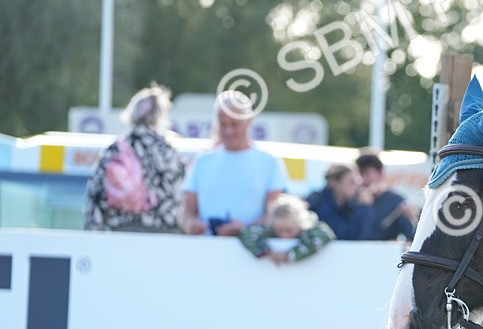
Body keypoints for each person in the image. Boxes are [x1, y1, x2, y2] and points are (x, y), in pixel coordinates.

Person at [182, 91, 288, 236]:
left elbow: (275, 214)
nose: (228, 131)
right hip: (205, 249)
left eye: (234, 124)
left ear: (249, 121)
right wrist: (190, 224)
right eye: (223, 124)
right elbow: (187, 212)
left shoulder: (269, 163)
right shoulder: (202, 161)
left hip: (251, 253)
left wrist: (245, 229)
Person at [83, 83, 187, 232]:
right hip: (164, 236)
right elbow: (182, 197)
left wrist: (92, 233)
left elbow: (95, 195)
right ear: (160, 116)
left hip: (122, 234)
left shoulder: (115, 149)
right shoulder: (170, 152)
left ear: (132, 113)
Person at [238, 194, 336, 265]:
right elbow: (247, 233)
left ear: (300, 224)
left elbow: (325, 233)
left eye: (289, 230)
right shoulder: (267, 230)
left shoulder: (310, 231)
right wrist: (265, 251)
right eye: (279, 231)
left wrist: (290, 255)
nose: (284, 235)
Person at [355, 151, 417, 242]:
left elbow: (411, 237)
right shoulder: (352, 200)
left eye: (366, 173)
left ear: (380, 174)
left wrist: (412, 220)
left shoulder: (395, 201)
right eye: (359, 174)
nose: (362, 179)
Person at [306, 163, 369, 240]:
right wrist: (363, 207)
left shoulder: (348, 204)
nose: (357, 186)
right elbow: (345, 235)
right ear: (335, 183)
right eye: (352, 182)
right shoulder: (318, 204)